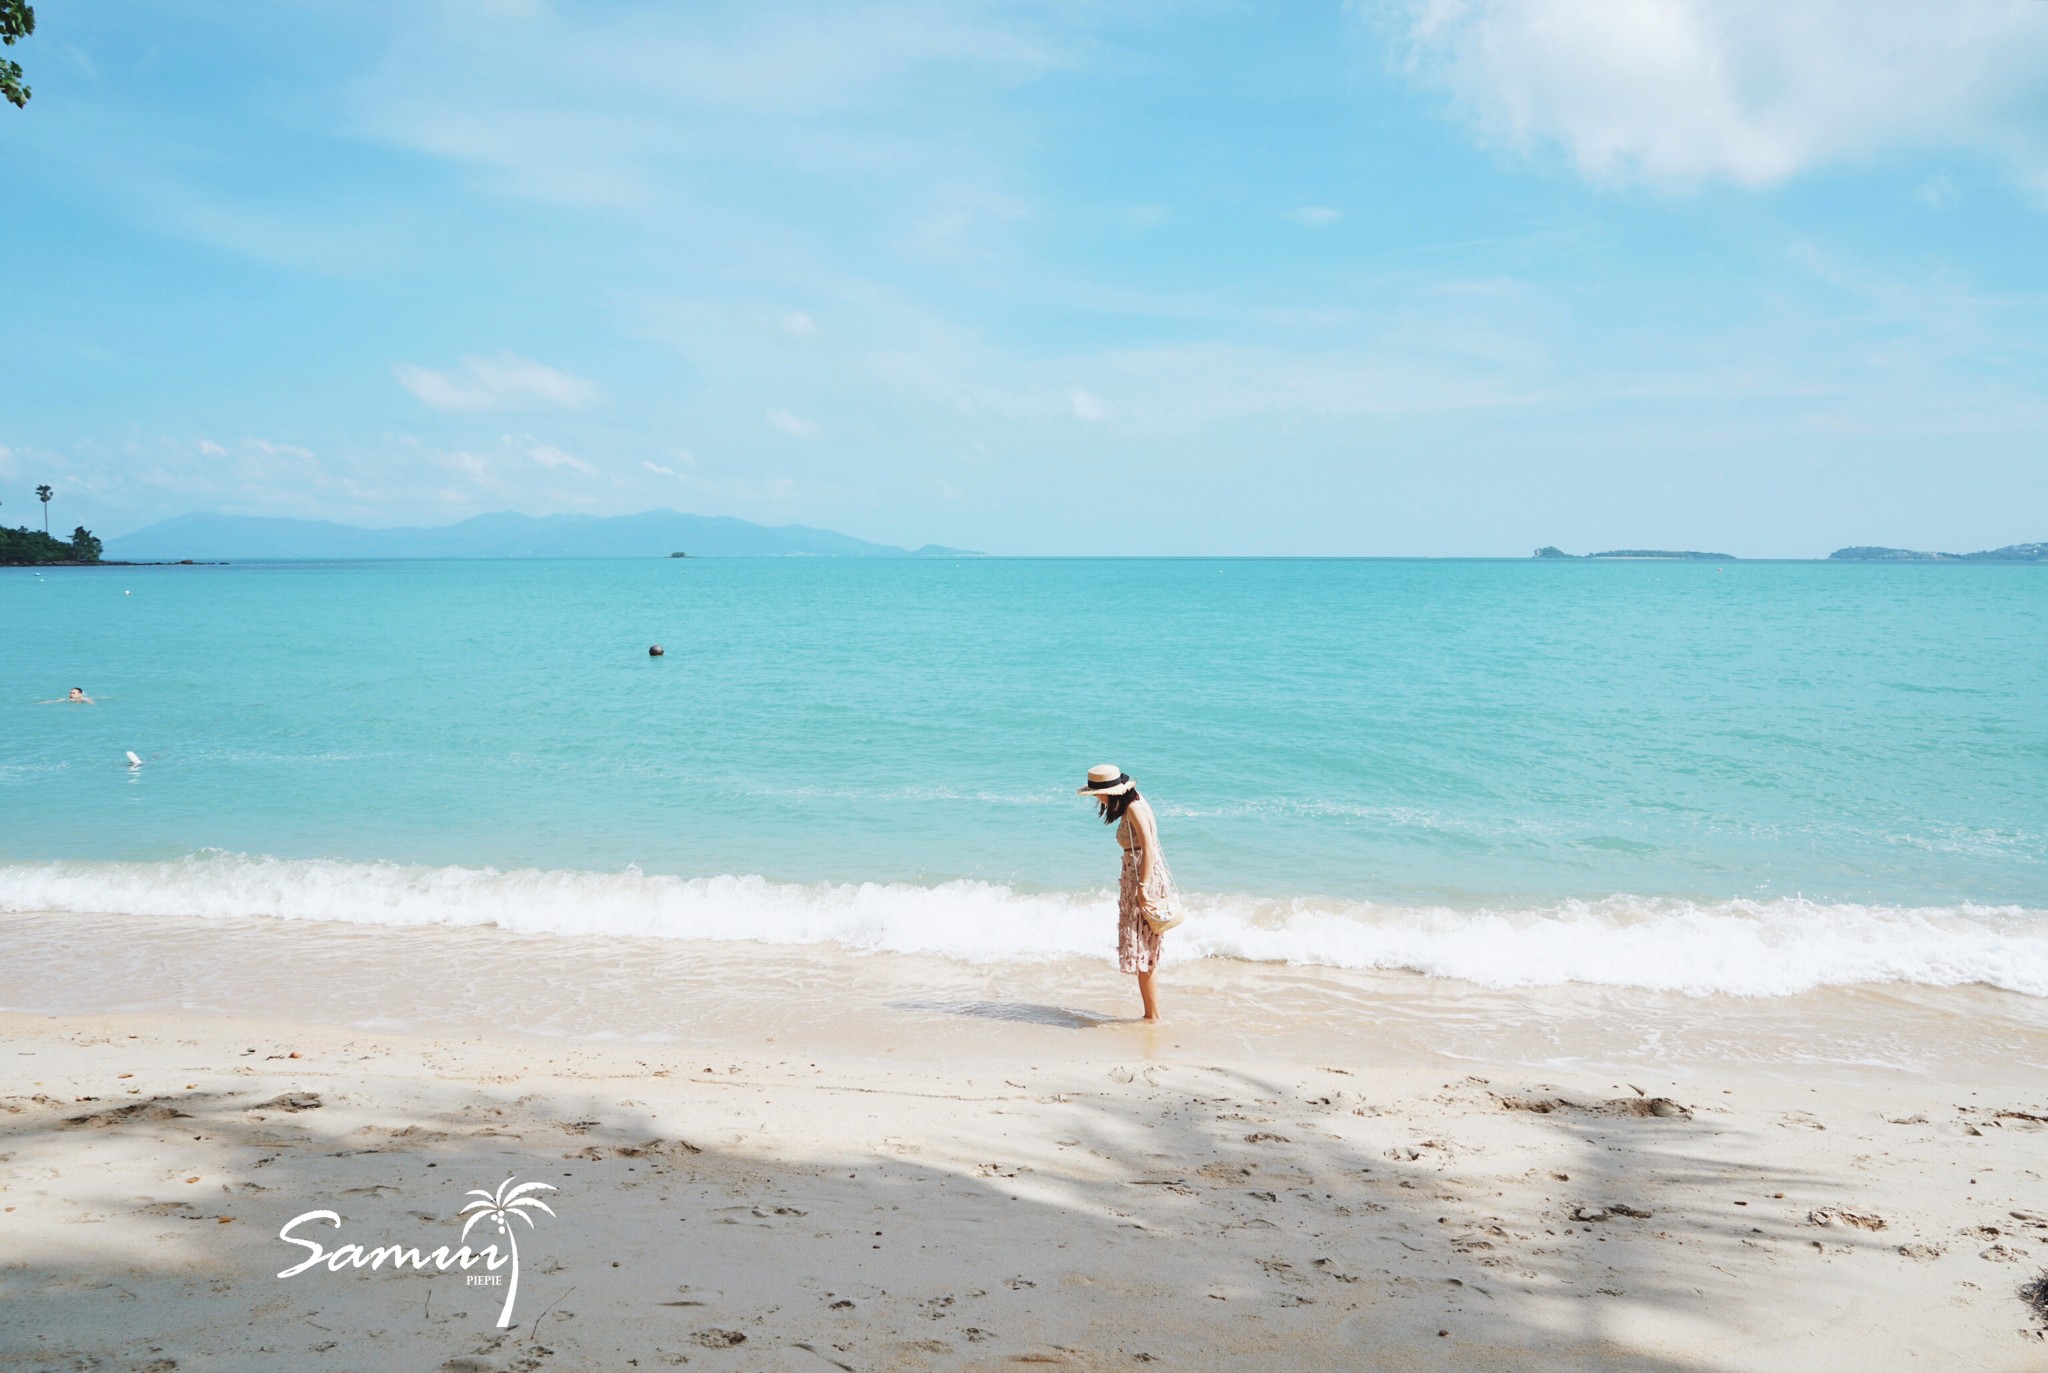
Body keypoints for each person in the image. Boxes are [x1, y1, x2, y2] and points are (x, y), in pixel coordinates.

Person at [1077, 764, 1177, 1022]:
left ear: (1111, 791)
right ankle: (1150, 1014)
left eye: (1096, 794)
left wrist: (1142, 888)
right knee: (1146, 949)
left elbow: (1149, 848)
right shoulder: (1134, 802)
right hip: (1137, 877)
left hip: (1143, 878)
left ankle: (1153, 1016)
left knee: (1144, 950)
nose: (1096, 798)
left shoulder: (1133, 807)